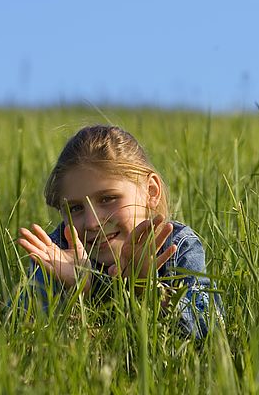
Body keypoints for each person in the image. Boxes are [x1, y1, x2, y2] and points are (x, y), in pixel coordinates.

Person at [17, 124, 224, 339]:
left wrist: (148, 290)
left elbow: (211, 332)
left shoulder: (176, 246)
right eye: (76, 208)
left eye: (108, 199)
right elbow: (24, 335)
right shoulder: (57, 253)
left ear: (150, 192)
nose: (91, 222)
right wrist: (78, 292)